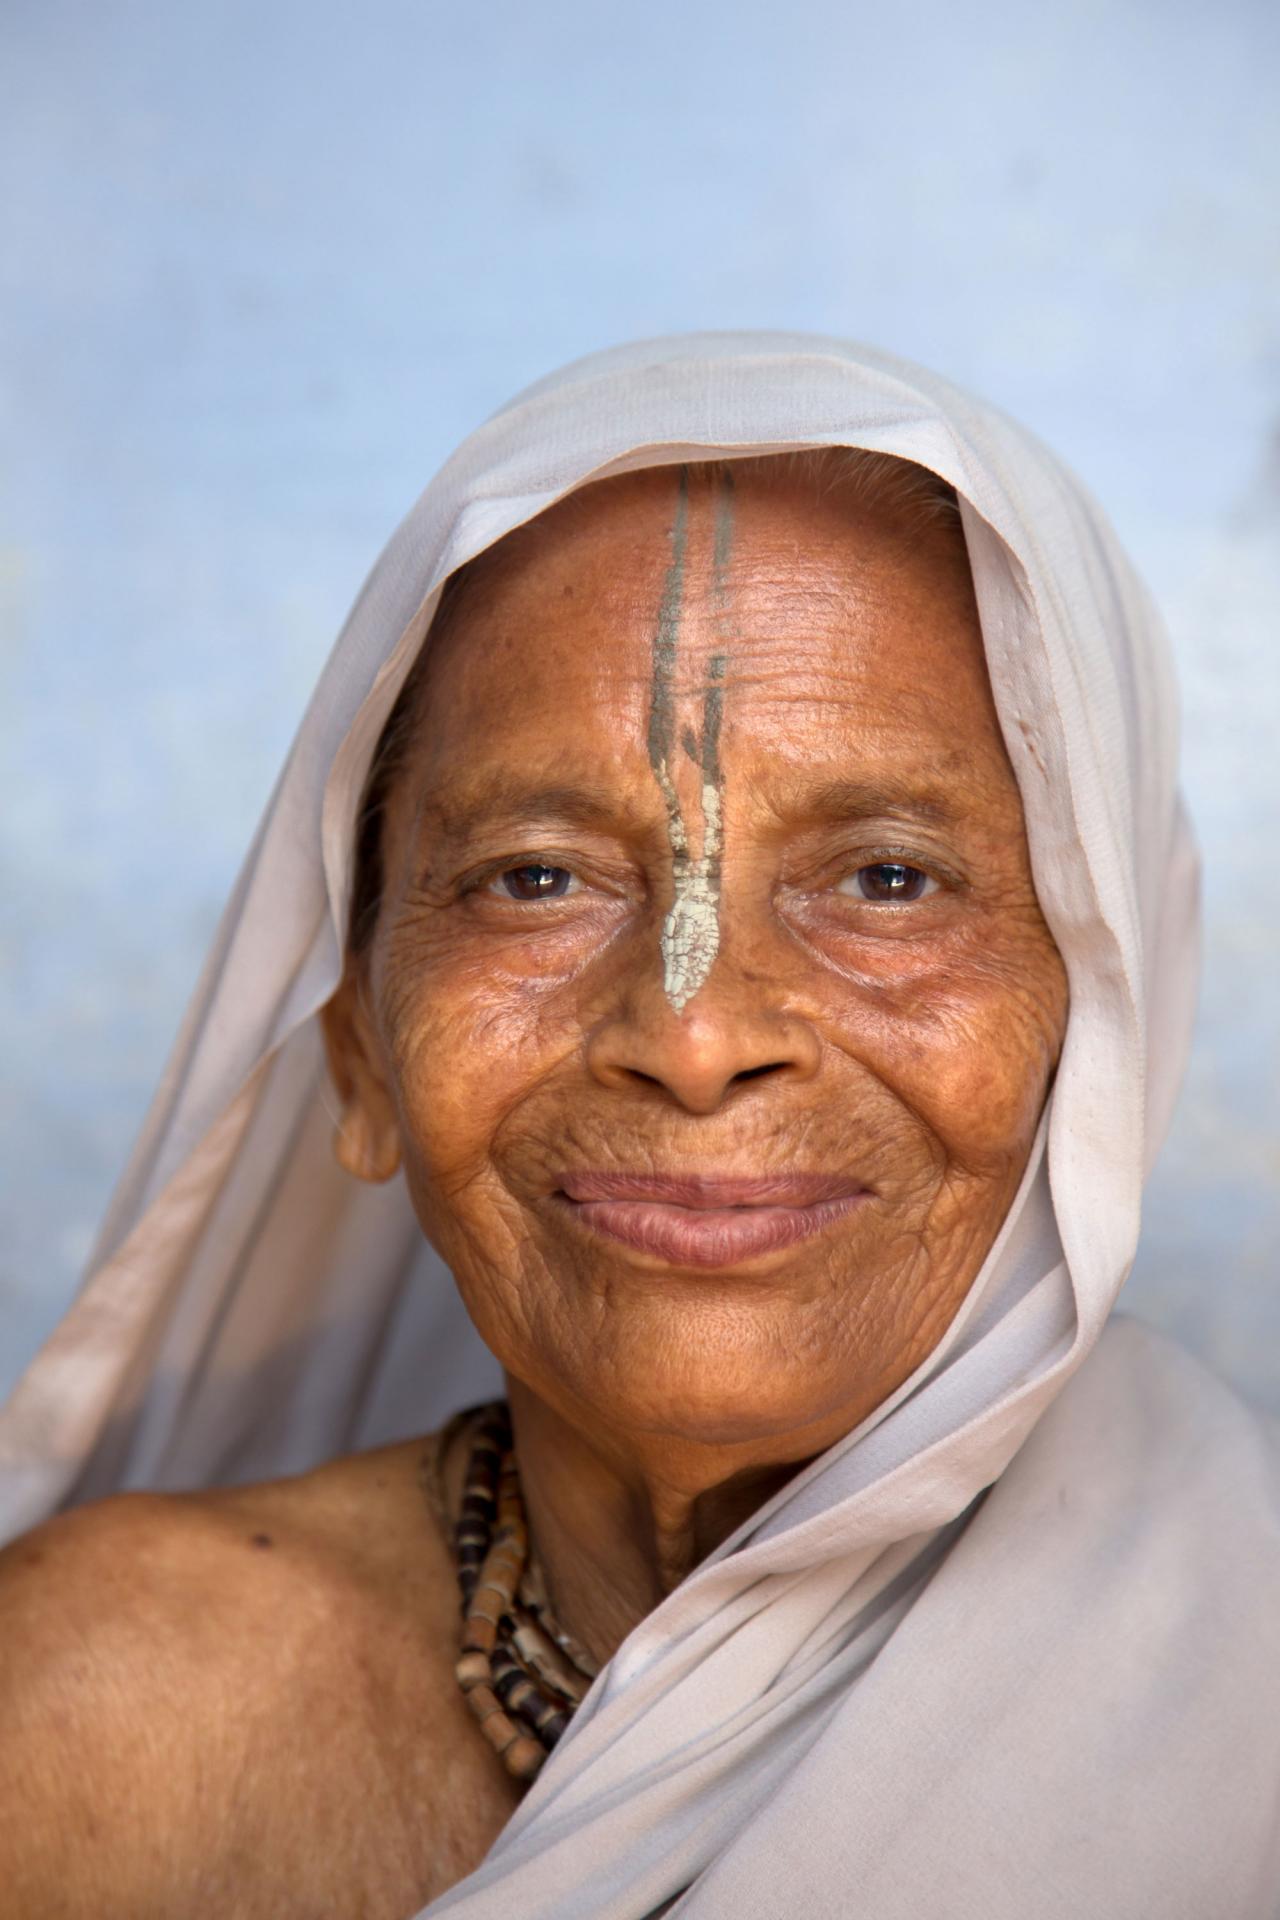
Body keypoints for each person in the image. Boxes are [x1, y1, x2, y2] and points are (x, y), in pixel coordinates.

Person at [1, 334, 1277, 1920]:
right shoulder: (72, 1737)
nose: (692, 1036)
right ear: (358, 1053)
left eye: (887, 879)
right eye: (536, 876)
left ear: (1102, 1032)